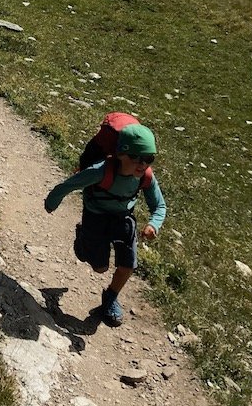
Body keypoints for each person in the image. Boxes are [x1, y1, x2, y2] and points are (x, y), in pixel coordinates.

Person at [43, 123, 166, 327]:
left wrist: (154, 224)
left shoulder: (145, 176)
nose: (143, 165)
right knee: (100, 267)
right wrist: (51, 202)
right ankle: (83, 242)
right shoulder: (100, 171)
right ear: (121, 154)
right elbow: (69, 185)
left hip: (123, 218)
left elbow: (159, 205)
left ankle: (110, 299)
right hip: (95, 216)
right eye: (138, 158)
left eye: (149, 159)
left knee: (128, 264)